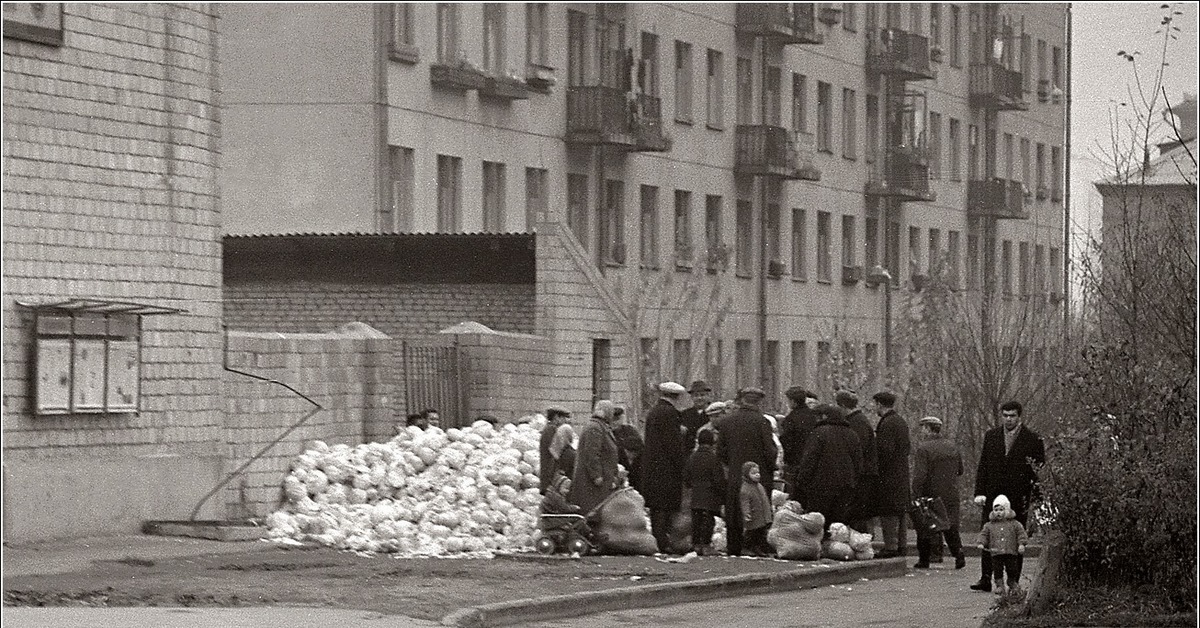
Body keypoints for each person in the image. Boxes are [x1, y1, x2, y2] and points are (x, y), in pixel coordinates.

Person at [970, 401, 1045, 592]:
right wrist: (979, 492)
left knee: (1015, 535)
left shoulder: (1032, 439)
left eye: (1012, 415)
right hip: (993, 493)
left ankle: (1013, 579)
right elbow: (983, 465)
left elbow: (1039, 471)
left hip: (1018, 495)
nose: (1008, 419)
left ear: (1019, 416)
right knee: (989, 532)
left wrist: (1038, 499)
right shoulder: (992, 436)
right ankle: (986, 577)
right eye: (1005, 415)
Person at [714, 387, 777, 556]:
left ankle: (734, 546)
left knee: (734, 509)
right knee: (758, 508)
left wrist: (733, 464)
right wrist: (770, 468)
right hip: (757, 473)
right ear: (758, 402)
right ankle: (755, 545)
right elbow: (770, 450)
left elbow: (721, 451)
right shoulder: (762, 421)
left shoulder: (727, 421)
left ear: (741, 400)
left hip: (736, 473)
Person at [640, 381, 692, 554]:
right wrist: (682, 467)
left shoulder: (653, 412)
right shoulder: (670, 414)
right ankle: (663, 542)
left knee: (656, 508)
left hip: (653, 468)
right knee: (665, 507)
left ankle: (658, 540)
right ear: (675, 397)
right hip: (667, 470)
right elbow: (673, 445)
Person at [794, 403, 863, 530]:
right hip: (845, 485)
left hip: (820, 484)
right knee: (837, 525)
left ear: (825, 416)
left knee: (817, 523)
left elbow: (810, 459)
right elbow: (858, 461)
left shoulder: (819, 432)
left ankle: (817, 548)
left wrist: (802, 480)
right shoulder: (852, 434)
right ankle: (836, 548)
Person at [911, 416, 966, 569]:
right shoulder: (952, 446)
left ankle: (925, 559)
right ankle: (958, 553)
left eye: (923, 427)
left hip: (932, 494)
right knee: (950, 525)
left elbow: (920, 475)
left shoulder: (924, 449)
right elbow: (960, 470)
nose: (922, 431)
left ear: (928, 428)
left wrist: (915, 494)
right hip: (951, 492)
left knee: (926, 526)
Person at [872, 391, 911, 558]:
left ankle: (891, 547)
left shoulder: (886, 423)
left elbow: (885, 451)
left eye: (875, 404)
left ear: (880, 404)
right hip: (901, 474)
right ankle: (901, 546)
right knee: (900, 512)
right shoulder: (900, 422)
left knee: (888, 512)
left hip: (889, 476)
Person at [837, 389, 879, 535]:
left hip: (862, 474)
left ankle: (861, 539)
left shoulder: (856, 423)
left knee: (857, 510)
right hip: (864, 473)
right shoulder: (859, 420)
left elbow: (857, 450)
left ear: (843, 406)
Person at [569, 400, 621, 515]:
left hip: (600, 481)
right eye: (611, 411)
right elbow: (592, 454)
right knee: (592, 513)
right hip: (592, 483)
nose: (613, 415)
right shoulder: (595, 428)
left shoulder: (601, 427)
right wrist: (596, 476)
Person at [683, 428, 726, 556]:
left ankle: (695, 545)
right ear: (712, 442)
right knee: (708, 521)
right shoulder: (713, 458)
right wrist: (721, 494)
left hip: (696, 493)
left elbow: (686, 476)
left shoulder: (692, 457)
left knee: (696, 520)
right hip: (710, 494)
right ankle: (706, 545)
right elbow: (718, 479)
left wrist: (692, 485)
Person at [978, 494, 1029, 596]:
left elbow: (1021, 534)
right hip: (996, 552)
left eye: (1001, 510)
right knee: (997, 569)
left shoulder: (1015, 524)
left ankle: (1012, 582)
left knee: (1012, 568)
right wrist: (981, 542)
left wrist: (1021, 544)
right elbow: (984, 534)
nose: (998, 512)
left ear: (1007, 510)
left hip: (1011, 551)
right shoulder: (989, 525)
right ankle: (999, 585)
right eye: (996, 510)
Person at [779, 387, 820, 499]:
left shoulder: (790, 419)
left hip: (795, 462)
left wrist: (787, 459)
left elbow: (787, 441)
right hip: (814, 460)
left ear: (793, 401)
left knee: (794, 494)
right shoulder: (814, 416)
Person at [739, 461, 774, 557]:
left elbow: (764, 499)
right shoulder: (745, 489)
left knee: (760, 533)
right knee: (751, 533)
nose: (757, 475)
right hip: (754, 515)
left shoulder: (759, 486)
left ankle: (757, 548)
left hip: (761, 515)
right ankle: (746, 547)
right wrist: (746, 513)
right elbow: (745, 503)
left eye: (758, 473)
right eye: (753, 473)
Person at [539, 406, 572, 494]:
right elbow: (556, 452)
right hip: (550, 473)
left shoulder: (549, 429)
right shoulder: (551, 430)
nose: (565, 420)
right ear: (556, 417)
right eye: (563, 417)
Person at [610, 406, 644, 491]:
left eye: (617, 419)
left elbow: (639, 446)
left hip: (635, 469)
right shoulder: (608, 433)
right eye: (613, 419)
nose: (614, 423)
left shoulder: (630, 430)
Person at [680, 380, 714, 452]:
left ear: (708, 396)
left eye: (702, 395)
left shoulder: (713, 413)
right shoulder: (684, 414)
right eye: (696, 395)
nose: (699, 398)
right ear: (691, 397)